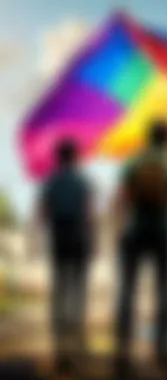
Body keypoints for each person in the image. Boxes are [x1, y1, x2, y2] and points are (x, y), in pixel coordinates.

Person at [113, 120, 167, 372]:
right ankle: (163, 351)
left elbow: (121, 200)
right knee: (165, 292)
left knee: (127, 292)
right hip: (162, 234)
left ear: (147, 139)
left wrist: (118, 230)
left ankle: (123, 353)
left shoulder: (133, 164)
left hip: (134, 233)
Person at [35, 139, 93, 374]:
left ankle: (60, 345)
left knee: (59, 289)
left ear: (58, 157)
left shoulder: (50, 182)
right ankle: (76, 342)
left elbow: (43, 214)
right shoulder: (82, 182)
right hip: (79, 240)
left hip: (59, 239)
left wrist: (42, 238)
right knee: (78, 290)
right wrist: (93, 241)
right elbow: (88, 214)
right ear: (75, 157)